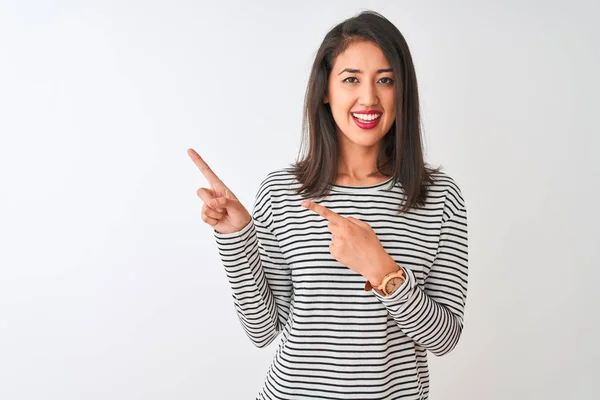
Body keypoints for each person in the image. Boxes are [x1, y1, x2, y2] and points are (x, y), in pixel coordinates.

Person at [188, 10, 468, 400]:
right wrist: (235, 237)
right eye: (351, 79)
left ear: (402, 91)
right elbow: (263, 330)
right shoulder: (282, 191)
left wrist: (382, 269)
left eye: (385, 80)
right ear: (326, 90)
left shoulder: (438, 196)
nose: (368, 97)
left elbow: (445, 338)